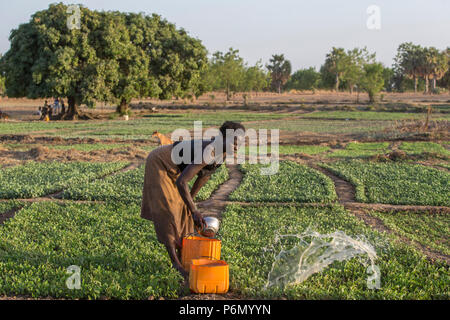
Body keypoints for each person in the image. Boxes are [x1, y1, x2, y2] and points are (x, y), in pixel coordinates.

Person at [140, 121, 245, 279]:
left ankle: (185, 256)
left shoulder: (223, 153)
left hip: (176, 169)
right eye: (235, 141)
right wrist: (195, 210)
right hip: (160, 162)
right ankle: (176, 264)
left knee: (184, 212)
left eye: (241, 141)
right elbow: (182, 182)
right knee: (168, 211)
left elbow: (204, 176)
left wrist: (190, 206)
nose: (238, 145)